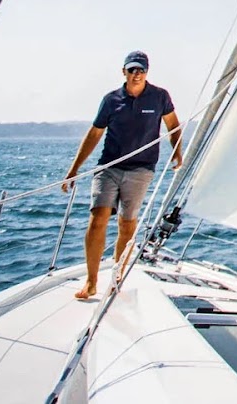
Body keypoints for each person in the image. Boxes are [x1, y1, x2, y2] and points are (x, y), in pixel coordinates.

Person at [61, 50, 182, 300]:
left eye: (141, 70)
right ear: (124, 71)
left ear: (147, 72)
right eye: (132, 70)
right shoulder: (111, 100)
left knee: (127, 224)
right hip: (109, 167)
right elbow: (95, 134)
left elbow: (173, 125)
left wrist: (178, 152)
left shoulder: (160, 97)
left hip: (141, 170)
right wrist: (74, 169)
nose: (136, 74)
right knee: (98, 219)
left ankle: (117, 277)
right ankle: (92, 281)